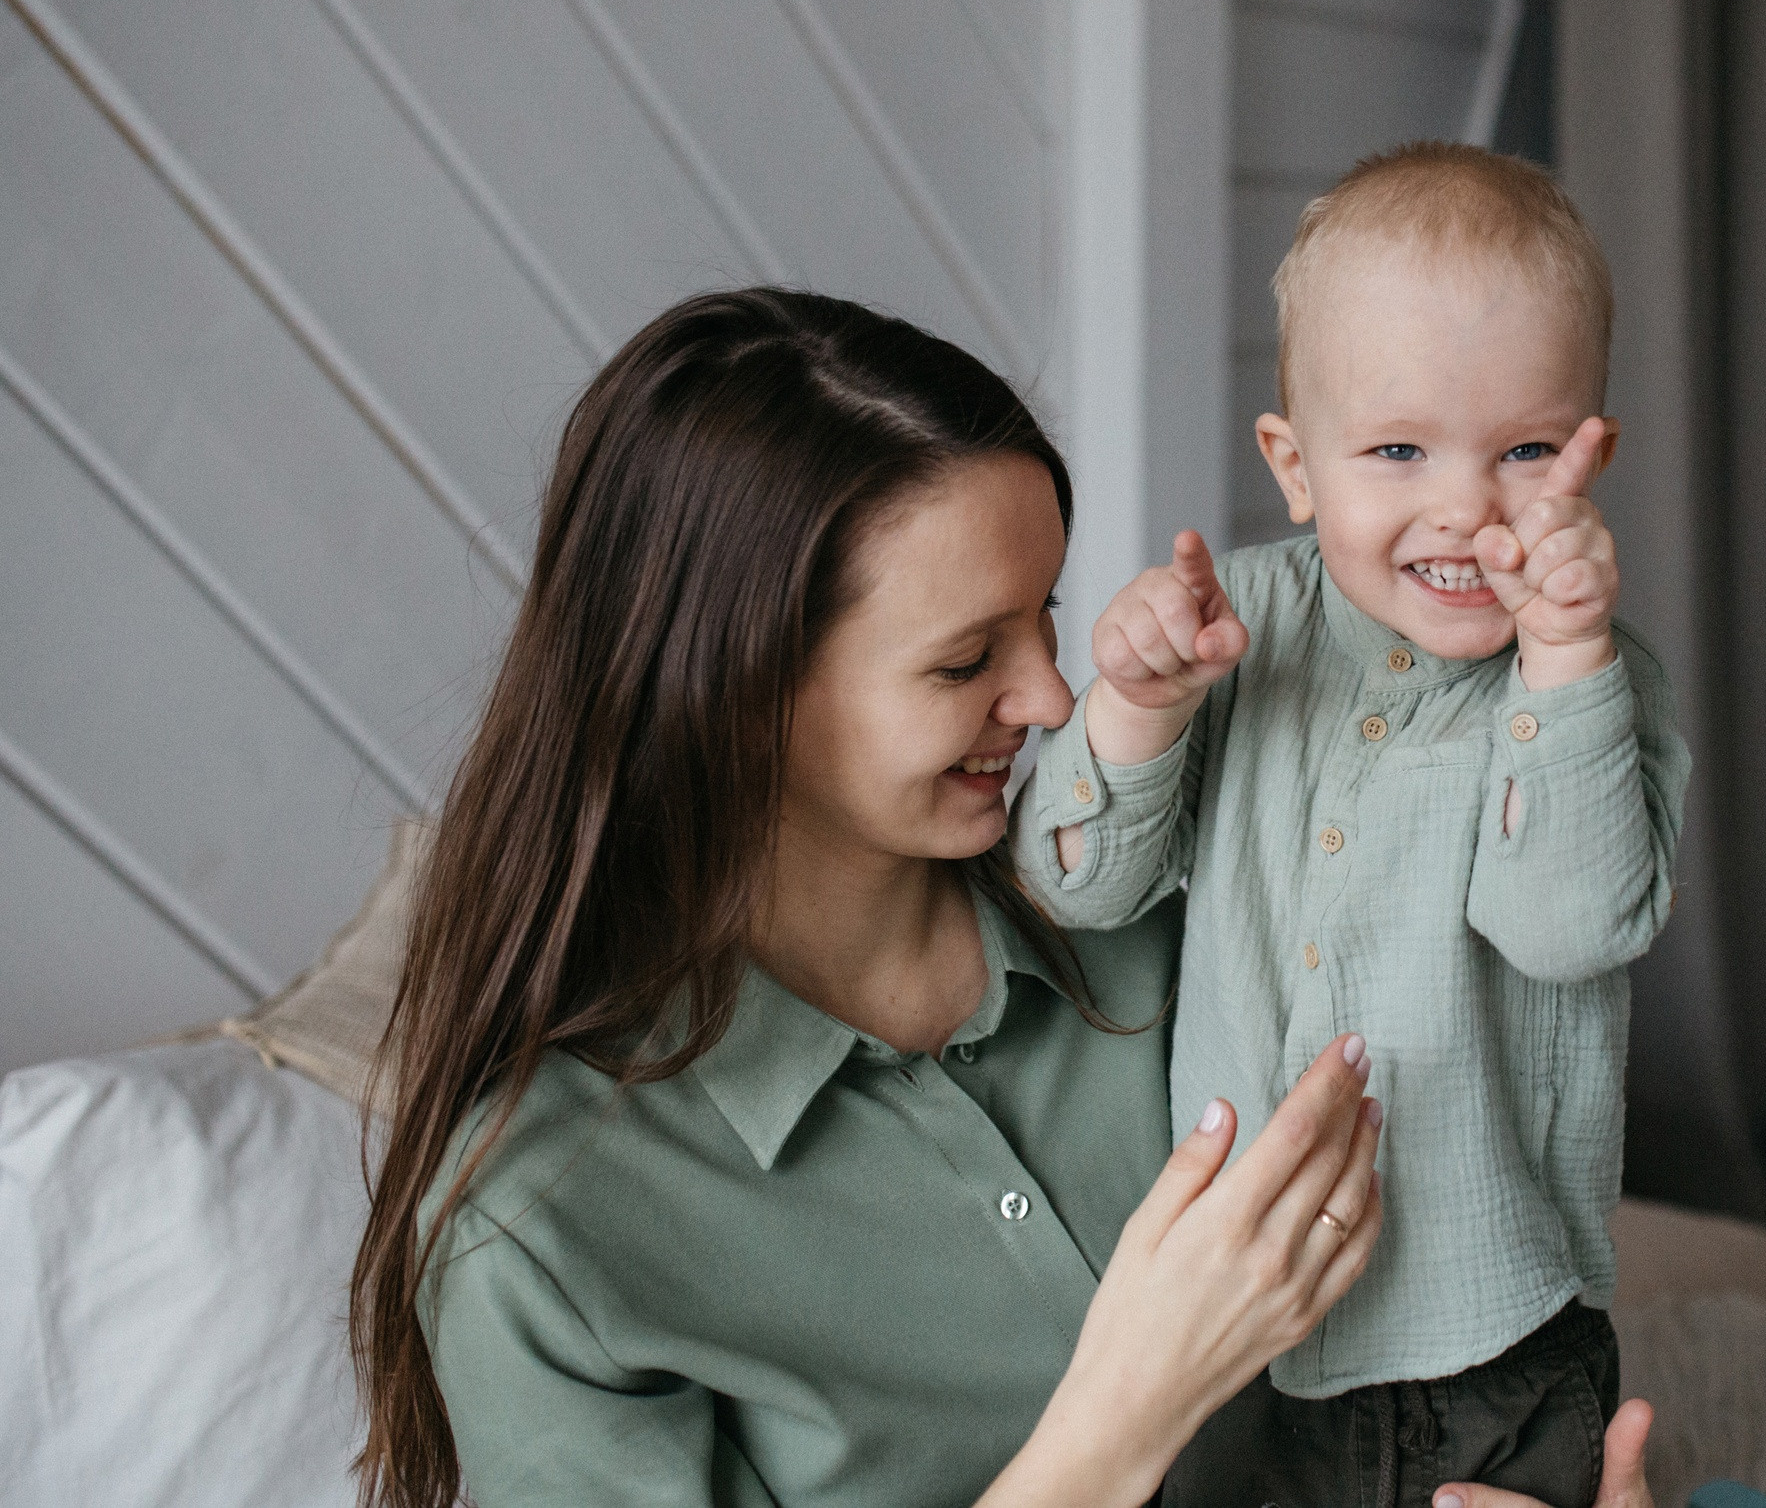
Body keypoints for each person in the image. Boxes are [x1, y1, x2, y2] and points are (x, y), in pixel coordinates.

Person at [346, 287, 1655, 1508]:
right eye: (966, 659)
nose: (1047, 702)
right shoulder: (541, 1225)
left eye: (1046, 616)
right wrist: (1119, 1421)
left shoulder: (1170, 919)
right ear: (734, 697)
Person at [1013, 145, 1690, 1507]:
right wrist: (1136, 707)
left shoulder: (1598, 685)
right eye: (1397, 450)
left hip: (1490, 1345)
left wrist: (1561, 656)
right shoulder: (1238, 633)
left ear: (1593, 449)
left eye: (1526, 451)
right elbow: (1072, 888)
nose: (1463, 506)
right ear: (1298, 465)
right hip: (1234, 1324)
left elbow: (1570, 927)